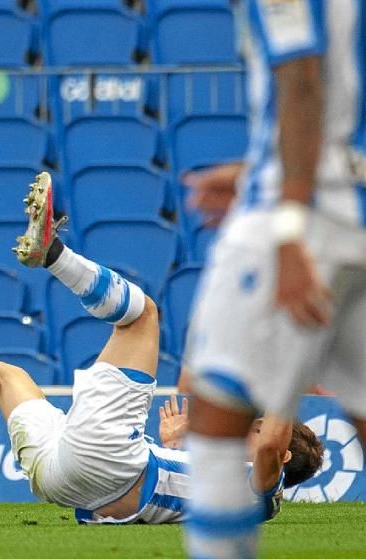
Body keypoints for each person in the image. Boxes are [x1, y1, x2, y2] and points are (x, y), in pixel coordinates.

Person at [0, 172, 323, 524]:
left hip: (109, 462)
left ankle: (51, 253)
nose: (251, 425)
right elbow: (182, 492)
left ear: (279, 458)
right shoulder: (230, 484)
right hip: (63, 484)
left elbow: (270, 448)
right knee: (4, 378)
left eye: (257, 428)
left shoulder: (265, 489)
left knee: (143, 316)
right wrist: (175, 447)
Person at [183, 1, 366, 556]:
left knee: (212, 417)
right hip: (354, 205)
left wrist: (288, 225)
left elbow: (302, 77)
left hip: (297, 219)